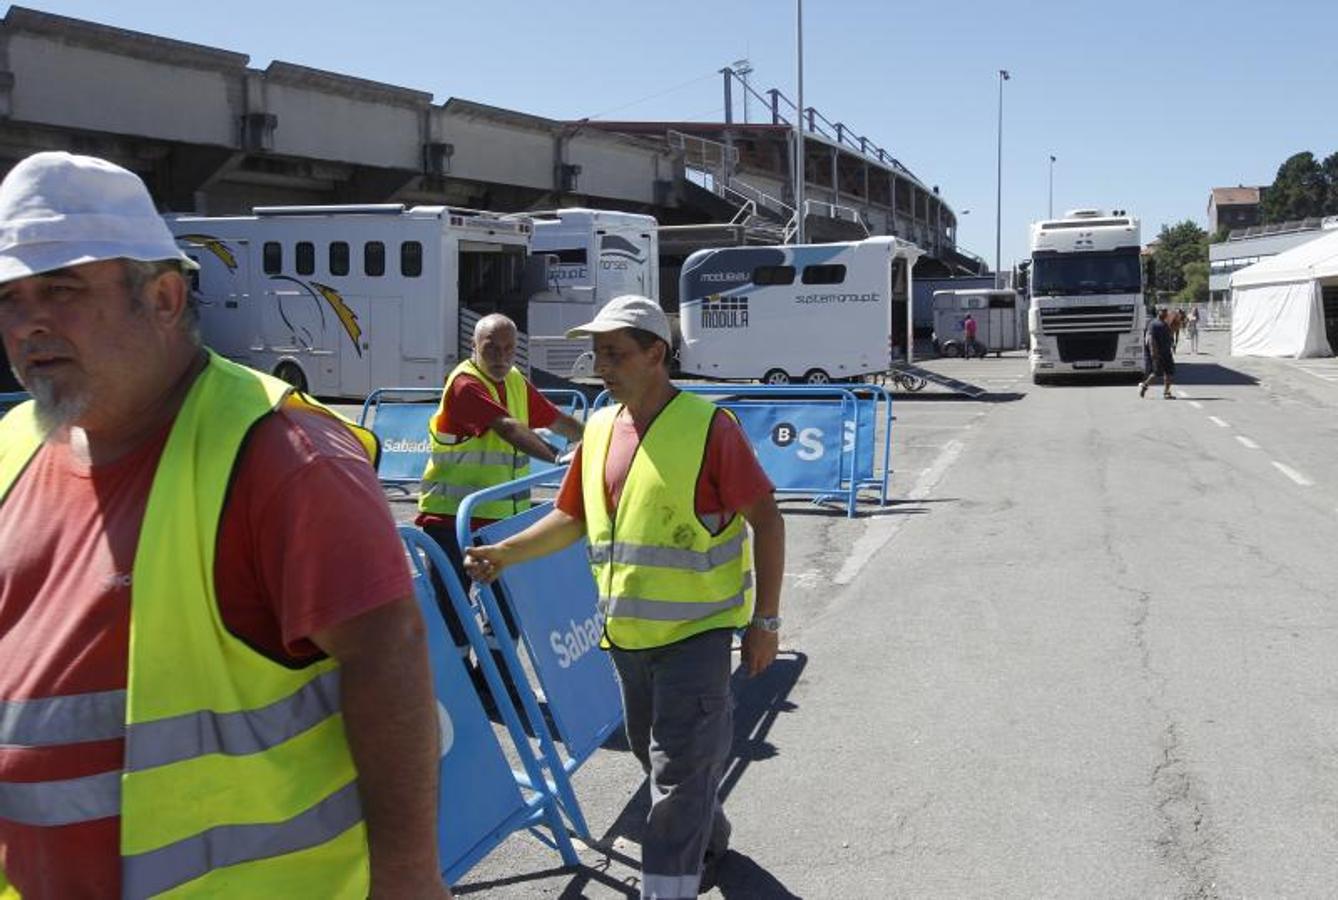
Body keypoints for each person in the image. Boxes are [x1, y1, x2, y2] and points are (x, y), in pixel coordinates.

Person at [0, 153, 449, 898]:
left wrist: (406, 878)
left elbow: (388, 655)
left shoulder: (285, 456)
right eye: (9, 299)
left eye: (63, 289)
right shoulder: (17, 443)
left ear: (166, 298)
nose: (29, 323)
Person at [463, 295, 785, 900]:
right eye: (597, 355)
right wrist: (507, 555)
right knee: (659, 760)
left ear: (656, 353)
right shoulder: (602, 426)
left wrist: (764, 621)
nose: (601, 367)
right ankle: (708, 843)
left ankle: (669, 885)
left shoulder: (709, 428)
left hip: (697, 636)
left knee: (675, 778)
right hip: (627, 638)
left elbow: (767, 521)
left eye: (615, 354)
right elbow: (571, 517)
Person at [416, 312, 584, 659]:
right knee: (453, 613)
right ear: (474, 346)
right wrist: (557, 457)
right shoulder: (465, 384)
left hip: (501, 523)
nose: (501, 357)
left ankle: (501, 686)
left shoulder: (516, 380)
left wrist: (596, 438)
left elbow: (554, 418)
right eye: (491, 348)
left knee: (507, 611)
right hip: (451, 521)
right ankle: (464, 696)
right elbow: (507, 426)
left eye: (509, 349)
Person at [1140, 307, 1176, 399]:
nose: (1165, 313)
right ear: (1158, 312)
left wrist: (1172, 344)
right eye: (1163, 311)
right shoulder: (1153, 324)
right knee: (1156, 374)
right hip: (1158, 353)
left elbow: (1169, 336)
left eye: (1165, 311)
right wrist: (1153, 352)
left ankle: (1166, 393)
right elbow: (1151, 339)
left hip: (1167, 353)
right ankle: (1144, 385)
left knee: (1169, 373)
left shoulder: (1165, 324)